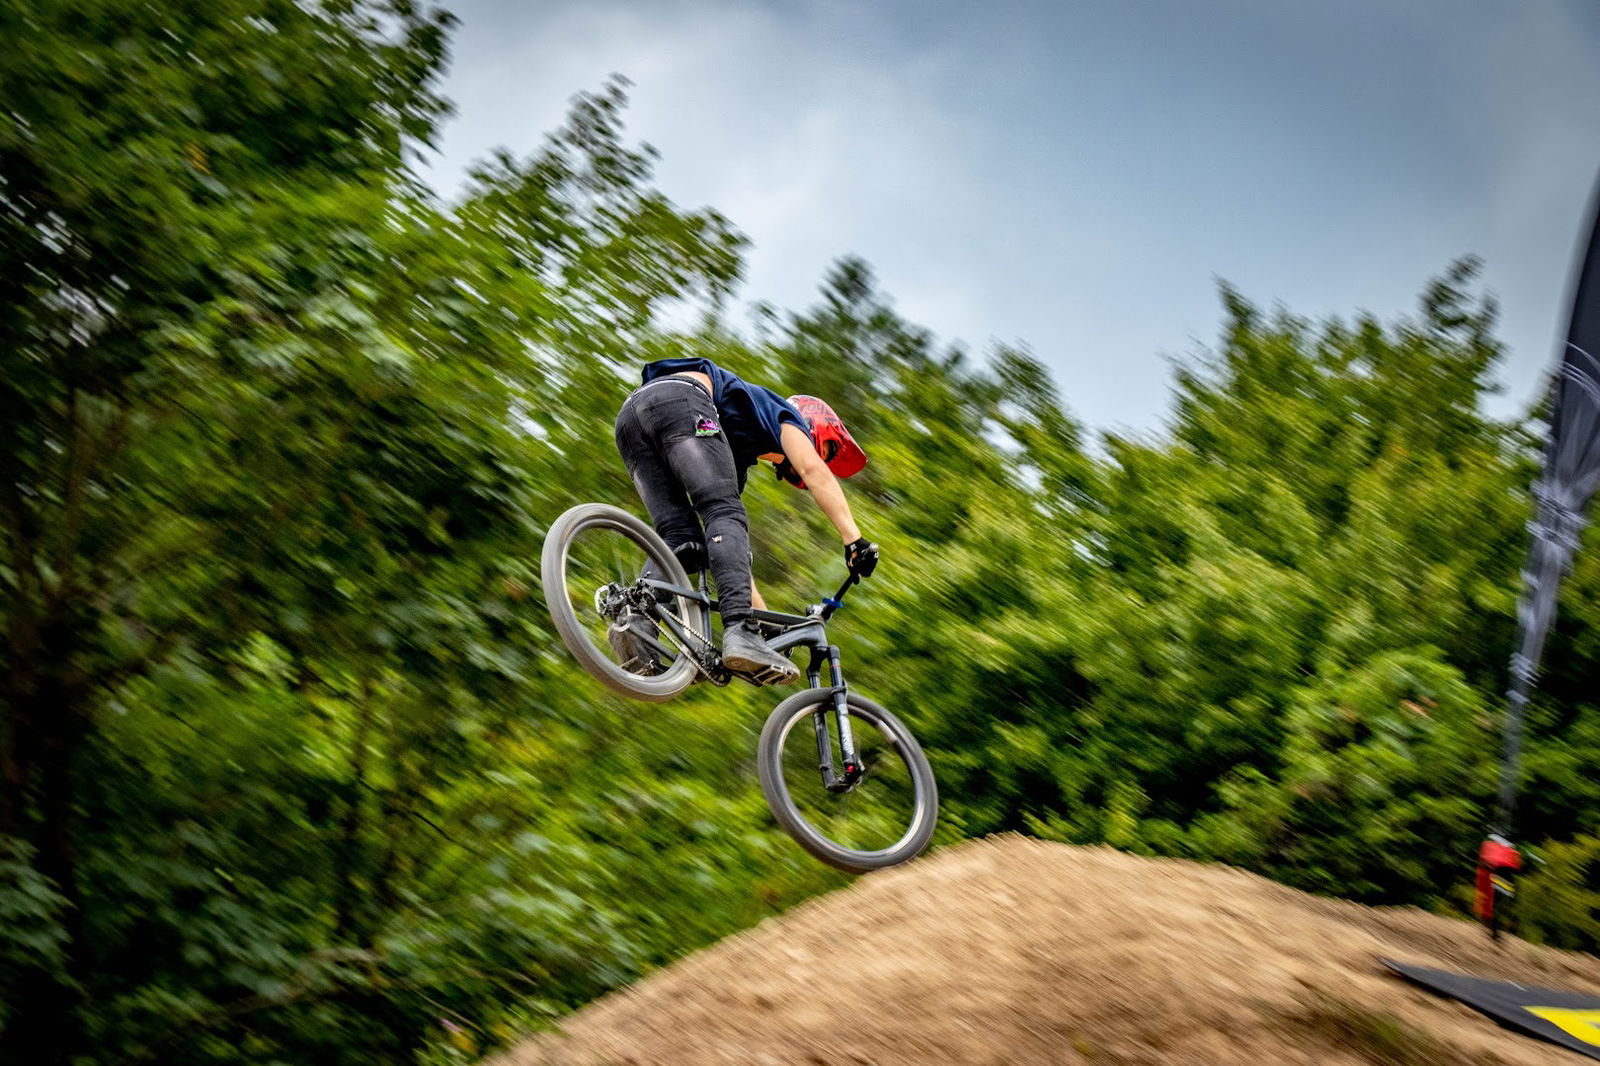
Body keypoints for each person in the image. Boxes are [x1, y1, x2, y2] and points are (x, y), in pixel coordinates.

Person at [611, 356, 879, 684]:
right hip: (680, 400)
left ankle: (635, 623)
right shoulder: (787, 415)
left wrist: (762, 624)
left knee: (683, 536)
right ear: (815, 431)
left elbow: (730, 554)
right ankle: (739, 628)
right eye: (819, 449)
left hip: (631, 421)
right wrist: (854, 540)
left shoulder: (730, 453)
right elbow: (814, 472)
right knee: (726, 513)